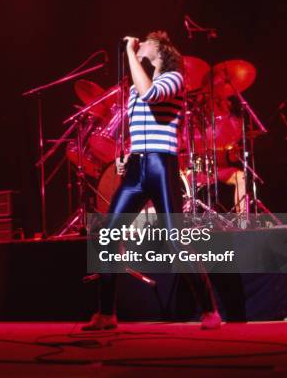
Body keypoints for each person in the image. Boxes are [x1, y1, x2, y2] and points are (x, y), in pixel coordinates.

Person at [83, 31, 222, 330]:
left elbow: (150, 94)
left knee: (174, 239)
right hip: (137, 167)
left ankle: (210, 310)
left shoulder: (174, 79)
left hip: (162, 165)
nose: (139, 44)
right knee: (107, 234)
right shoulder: (136, 88)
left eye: (145, 42)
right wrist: (126, 156)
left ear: (160, 49)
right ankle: (107, 313)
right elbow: (138, 119)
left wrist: (131, 53)